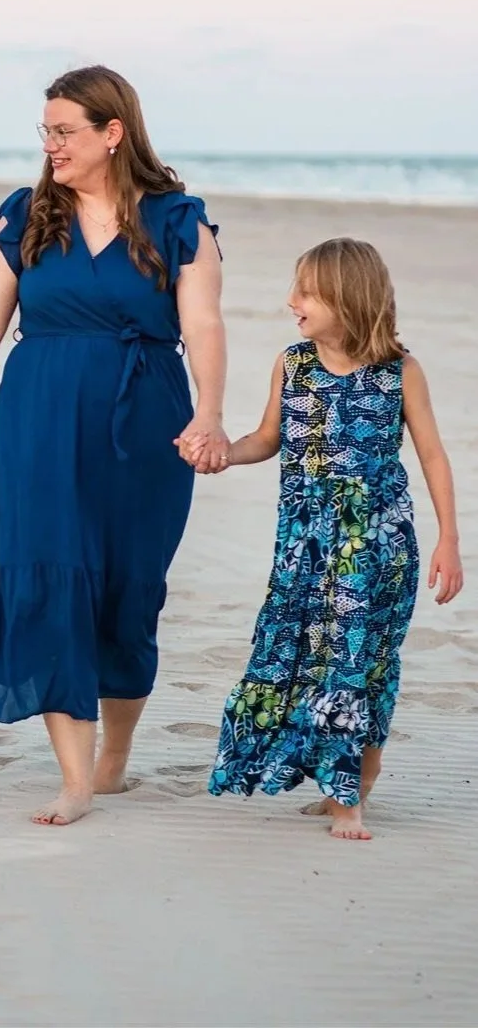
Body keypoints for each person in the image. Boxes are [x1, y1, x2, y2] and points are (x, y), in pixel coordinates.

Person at [0, 65, 228, 826]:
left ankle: (111, 761)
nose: (49, 145)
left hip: (144, 421)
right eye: (44, 131)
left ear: (112, 133)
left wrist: (208, 413)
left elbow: (203, 324)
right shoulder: (27, 216)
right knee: (50, 576)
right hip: (38, 419)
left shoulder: (179, 220)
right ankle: (74, 778)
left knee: (129, 587)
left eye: (62, 130)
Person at [206, 239, 462, 840]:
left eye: (306, 292)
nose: (291, 302)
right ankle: (338, 786)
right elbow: (268, 438)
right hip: (303, 547)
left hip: (376, 549)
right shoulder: (292, 363)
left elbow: (433, 456)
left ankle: (351, 798)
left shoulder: (400, 372)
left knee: (361, 661)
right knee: (305, 656)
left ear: (347, 299)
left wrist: (451, 539)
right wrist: (224, 453)